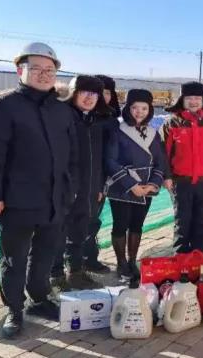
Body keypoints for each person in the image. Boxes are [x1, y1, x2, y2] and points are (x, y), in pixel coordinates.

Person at [0, 42, 78, 338]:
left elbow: (72, 155)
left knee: (45, 254)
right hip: (17, 200)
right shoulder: (2, 107)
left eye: (49, 70)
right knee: (14, 258)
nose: (43, 74)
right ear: (19, 70)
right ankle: (14, 309)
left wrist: (70, 189)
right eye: (35, 68)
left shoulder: (61, 110)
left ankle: (39, 298)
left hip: (54, 198)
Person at [50, 76, 107, 291]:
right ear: (73, 93)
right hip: (63, 188)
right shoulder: (62, 116)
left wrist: (98, 186)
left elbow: (98, 158)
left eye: (94, 94)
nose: (89, 98)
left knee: (79, 232)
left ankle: (76, 272)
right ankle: (56, 276)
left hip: (87, 188)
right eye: (84, 92)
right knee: (58, 233)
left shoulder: (94, 121)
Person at [105, 89, 168, 278]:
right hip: (122, 186)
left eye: (144, 108)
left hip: (146, 187)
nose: (139, 112)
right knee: (120, 224)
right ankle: (121, 263)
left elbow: (160, 161)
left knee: (137, 225)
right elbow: (110, 160)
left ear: (149, 110)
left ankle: (132, 261)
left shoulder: (153, 133)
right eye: (134, 107)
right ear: (128, 108)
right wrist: (132, 185)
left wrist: (153, 184)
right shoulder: (118, 130)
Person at [162, 82, 203, 253]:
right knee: (182, 221)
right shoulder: (172, 123)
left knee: (202, 221)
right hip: (180, 182)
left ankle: (199, 257)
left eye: (197, 98)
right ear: (182, 100)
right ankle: (181, 257)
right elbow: (164, 153)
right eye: (189, 98)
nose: (193, 102)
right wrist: (166, 176)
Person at [81, 74, 120, 273]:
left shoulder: (111, 121)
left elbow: (109, 156)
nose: (103, 96)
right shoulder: (81, 117)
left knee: (92, 220)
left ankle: (89, 258)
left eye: (107, 92)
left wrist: (102, 184)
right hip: (79, 179)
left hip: (100, 179)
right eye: (99, 92)